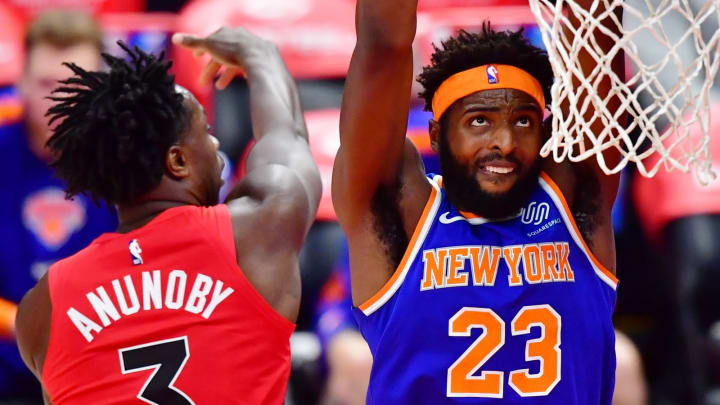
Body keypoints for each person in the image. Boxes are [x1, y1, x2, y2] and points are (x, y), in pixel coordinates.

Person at [333, 0, 624, 403]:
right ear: (436, 135)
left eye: (522, 121)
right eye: (479, 121)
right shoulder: (400, 210)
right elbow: (383, 44)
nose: (504, 143)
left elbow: (594, 29)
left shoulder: (573, 198)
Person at [14, 26, 321, 404]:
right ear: (177, 161)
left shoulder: (43, 308)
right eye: (205, 131)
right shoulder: (257, 231)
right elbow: (286, 137)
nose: (216, 142)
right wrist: (259, 54)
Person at [0, 10, 117, 403]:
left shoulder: (129, 160)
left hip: (106, 363)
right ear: (20, 83)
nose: (60, 100)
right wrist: (25, 325)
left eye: (74, 85)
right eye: (47, 83)